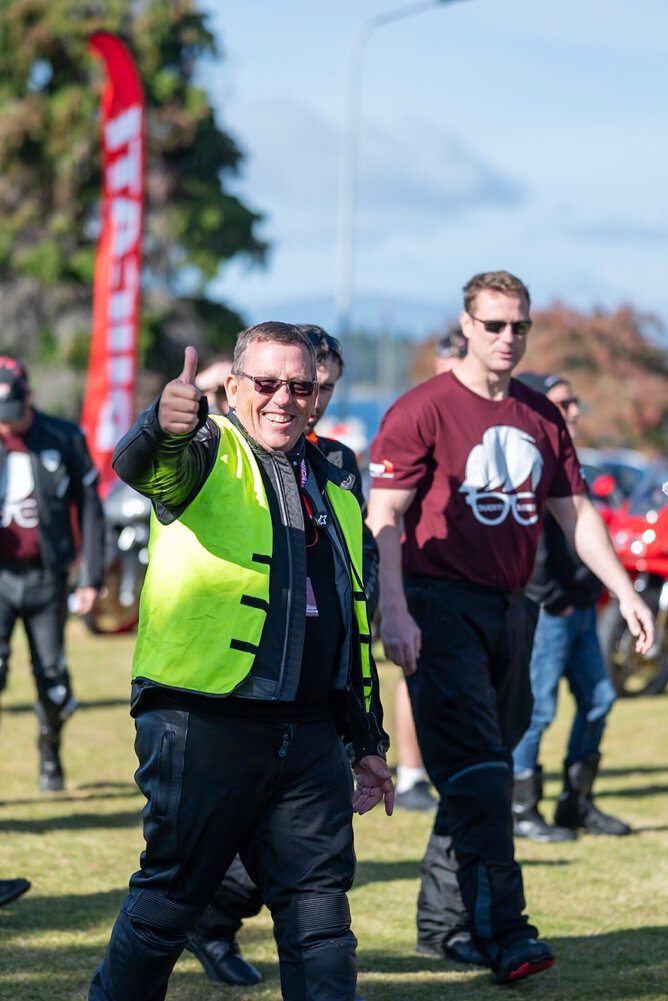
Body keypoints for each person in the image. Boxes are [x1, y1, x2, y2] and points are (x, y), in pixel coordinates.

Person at [88, 321, 393, 1001]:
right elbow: (149, 466)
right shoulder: (208, 449)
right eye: (266, 383)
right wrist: (159, 426)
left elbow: (350, 621)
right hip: (204, 724)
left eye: (301, 385)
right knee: (172, 896)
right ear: (232, 387)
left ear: (317, 394)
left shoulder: (336, 480)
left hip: (311, 733)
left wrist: (367, 740)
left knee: (321, 915)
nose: (284, 398)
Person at [366, 271, 654, 984]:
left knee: (480, 769)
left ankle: (441, 924)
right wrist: (394, 610)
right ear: (466, 324)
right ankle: (507, 932)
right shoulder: (423, 408)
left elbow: (577, 515)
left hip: (512, 609)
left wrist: (625, 592)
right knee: (483, 771)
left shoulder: (540, 415)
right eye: (494, 324)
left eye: (519, 325)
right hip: (438, 606)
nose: (507, 338)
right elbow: (384, 519)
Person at [185, 323, 382, 988]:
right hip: (231, 701)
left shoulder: (338, 466)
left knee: (314, 885)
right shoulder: (224, 450)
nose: (304, 400)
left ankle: (215, 917)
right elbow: (158, 462)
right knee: (186, 876)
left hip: (320, 697)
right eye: (288, 384)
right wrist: (173, 420)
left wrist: (364, 725)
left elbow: (357, 573)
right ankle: (206, 918)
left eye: (316, 387)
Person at [512, 372, 629, 840]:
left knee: (599, 700)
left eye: (575, 401)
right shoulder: (528, 464)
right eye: (563, 403)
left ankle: (576, 803)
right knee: (537, 712)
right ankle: (521, 811)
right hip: (549, 611)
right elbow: (527, 545)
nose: (574, 410)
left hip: (582, 608)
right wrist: (550, 600)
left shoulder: (571, 460)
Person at [0, 357, 104, 792]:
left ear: (30, 399)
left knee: (52, 677)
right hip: (1, 577)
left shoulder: (62, 437)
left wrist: (91, 578)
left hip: (48, 576)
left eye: (13, 413)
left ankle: (50, 754)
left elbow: (93, 509)